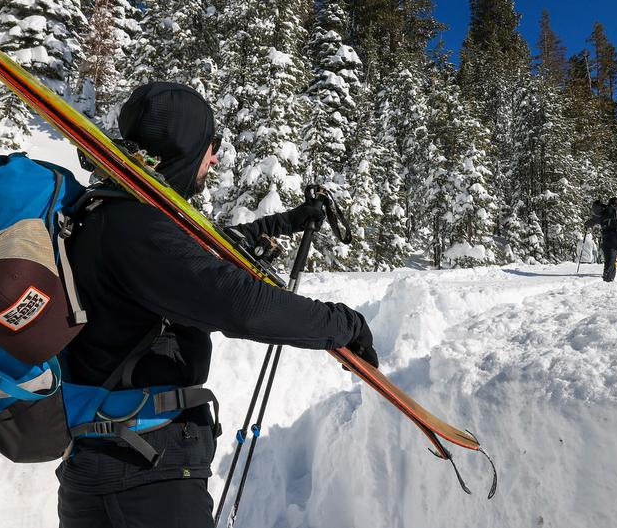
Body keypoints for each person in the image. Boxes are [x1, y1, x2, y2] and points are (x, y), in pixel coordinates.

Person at [57, 82, 378, 528]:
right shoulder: (137, 227)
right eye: (212, 145)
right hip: (143, 472)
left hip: (115, 460)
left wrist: (287, 222)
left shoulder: (117, 213)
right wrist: (344, 324)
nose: (215, 158)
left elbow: (207, 251)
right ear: (185, 145)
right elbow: (241, 304)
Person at [585, 197, 617, 282]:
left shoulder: (604, 212)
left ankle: (607, 279)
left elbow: (592, 221)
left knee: (609, 261)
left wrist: (586, 225)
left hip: (607, 238)